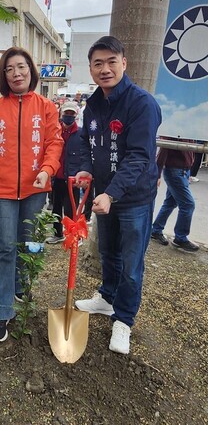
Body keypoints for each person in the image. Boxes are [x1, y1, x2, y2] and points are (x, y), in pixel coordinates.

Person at [74, 36, 162, 355]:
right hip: (105, 196)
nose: (105, 68)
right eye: (98, 63)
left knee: (131, 262)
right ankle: (107, 298)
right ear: (91, 69)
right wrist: (85, 169)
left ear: (124, 63)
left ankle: (124, 320)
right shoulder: (93, 104)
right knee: (108, 252)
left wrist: (110, 193)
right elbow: (87, 142)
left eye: (112, 61)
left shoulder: (142, 104)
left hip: (134, 198)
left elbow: (139, 156)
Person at [0, 46, 63, 343]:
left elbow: (54, 142)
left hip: (37, 187)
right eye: (9, 69)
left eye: (21, 67)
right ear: (3, 75)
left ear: (31, 70)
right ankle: (1, 311)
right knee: (5, 247)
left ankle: (21, 286)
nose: (16, 73)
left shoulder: (45, 106)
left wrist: (48, 168)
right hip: (5, 189)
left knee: (29, 243)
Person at [46, 101, 82, 244]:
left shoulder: (80, 134)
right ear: (61, 114)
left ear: (76, 115)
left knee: (71, 208)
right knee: (56, 207)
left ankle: (73, 234)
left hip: (72, 178)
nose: (68, 115)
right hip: (57, 177)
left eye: (71, 113)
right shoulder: (55, 131)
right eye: (66, 113)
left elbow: (84, 156)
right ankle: (57, 233)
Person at [151, 147, 199, 252]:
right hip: (175, 171)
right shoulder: (174, 132)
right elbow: (163, 151)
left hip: (184, 170)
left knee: (170, 202)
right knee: (188, 204)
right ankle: (180, 238)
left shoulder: (191, 132)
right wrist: (157, 175)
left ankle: (156, 230)